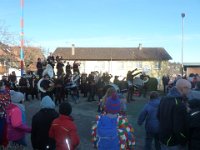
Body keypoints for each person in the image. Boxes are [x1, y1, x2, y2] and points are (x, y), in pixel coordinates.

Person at [157, 79, 191, 150]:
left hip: (163, 137)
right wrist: (184, 140)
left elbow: (158, 116)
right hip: (174, 142)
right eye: (189, 89)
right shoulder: (179, 104)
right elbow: (178, 128)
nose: (189, 91)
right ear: (183, 88)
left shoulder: (164, 98)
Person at [0, 81, 11, 148]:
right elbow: (7, 104)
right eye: (4, 85)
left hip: (3, 115)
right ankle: (2, 143)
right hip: (3, 115)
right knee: (3, 129)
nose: (5, 86)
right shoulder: (5, 94)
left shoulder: (6, 93)